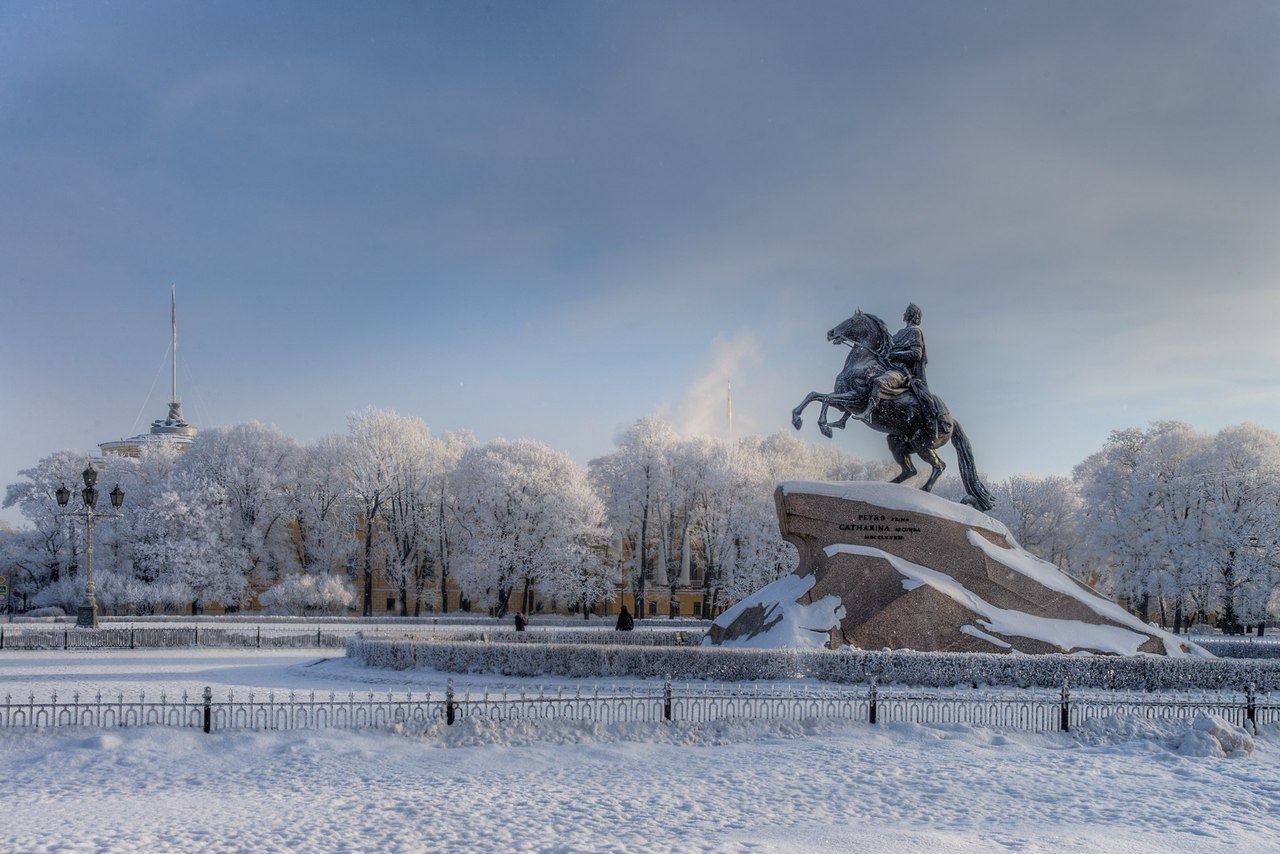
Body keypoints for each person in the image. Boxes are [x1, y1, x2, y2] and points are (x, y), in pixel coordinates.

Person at [859, 303, 944, 438]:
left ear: (911, 315)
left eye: (906, 312)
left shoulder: (915, 332)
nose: (904, 314)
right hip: (888, 367)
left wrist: (893, 355)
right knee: (863, 377)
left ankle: (868, 412)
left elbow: (917, 354)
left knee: (879, 382)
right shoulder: (898, 334)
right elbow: (887, 350)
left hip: (902, 372)